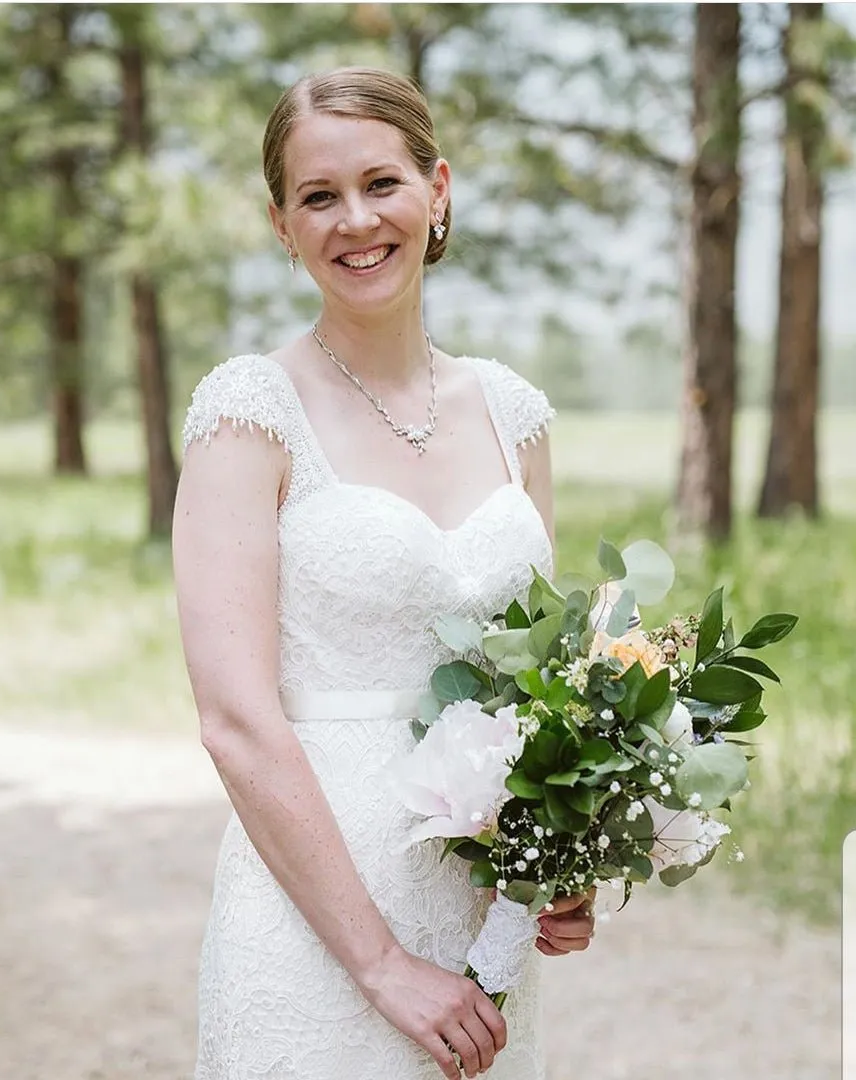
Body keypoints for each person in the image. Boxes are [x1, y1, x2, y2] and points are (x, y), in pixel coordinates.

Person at [172, 66, 595, 1080]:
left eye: (381, 183)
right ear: (282, 224)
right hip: (319, 922)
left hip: (478, 924)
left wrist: (559, 858)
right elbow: (235, 718)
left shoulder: (514, 414)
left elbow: (536, 686)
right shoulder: (250, 414)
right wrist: (378, 963)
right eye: (318, 197)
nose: (354, 220)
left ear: (437, 189)